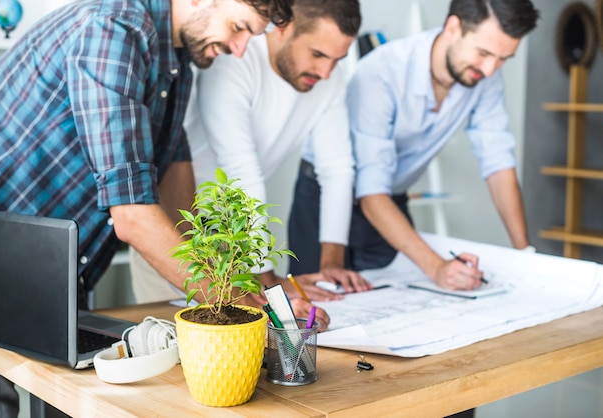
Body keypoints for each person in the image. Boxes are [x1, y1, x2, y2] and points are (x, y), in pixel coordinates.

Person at [0, 0, 297, 415]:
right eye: (239, 27)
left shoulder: (176, 56)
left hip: (50, 265)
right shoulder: (113, 28)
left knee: (66, 400)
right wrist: (234, 308)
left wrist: (241, 286)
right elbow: (133, 216)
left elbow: (174, 173)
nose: (239, 49)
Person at [129, 0, 374, 307]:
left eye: (337, 59)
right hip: (178, 235)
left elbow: (337, 169)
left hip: (242, 239)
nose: (326, 72)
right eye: (318, 54)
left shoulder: (328, 79)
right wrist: (269, 281)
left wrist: (331, 265)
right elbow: (241, 170)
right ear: (283, 28)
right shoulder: (234, 59)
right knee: (182, 346)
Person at [346, 0, 540, 294]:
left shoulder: (485, 77)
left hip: (391, 202)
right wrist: (436, 267)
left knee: (393, 303)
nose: (490, 69)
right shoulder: (381, 71)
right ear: (453, 27)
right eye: (484, 53)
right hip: (330, 200)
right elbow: (371, 192)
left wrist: (525, 254)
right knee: (316, 315)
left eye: (503, 59)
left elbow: (499, 163)